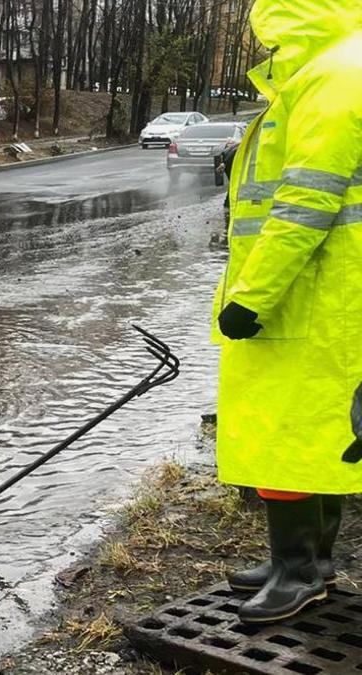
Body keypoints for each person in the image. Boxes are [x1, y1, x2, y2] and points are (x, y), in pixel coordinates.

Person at [214, 0, 362, 624]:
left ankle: (297, 570)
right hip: (326, 294)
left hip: (308, 294)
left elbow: (306, 200)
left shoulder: (334, 75)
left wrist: (253, 295)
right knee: (317, 432)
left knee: (284, 435)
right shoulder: (335, 67)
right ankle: (311, 561)